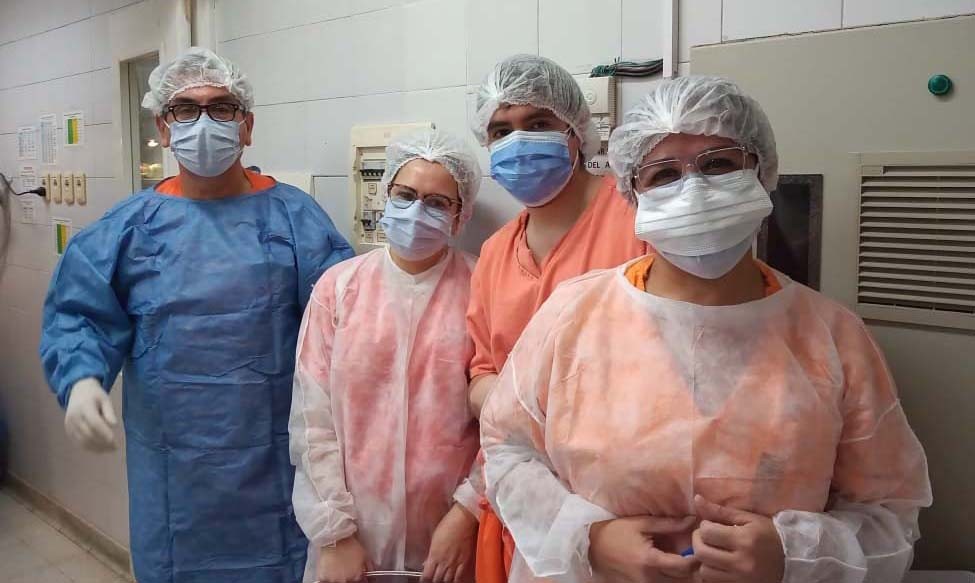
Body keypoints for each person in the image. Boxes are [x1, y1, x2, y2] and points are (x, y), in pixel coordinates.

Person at [479, 76, 932, 583]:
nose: (693, 190)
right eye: (663, 174)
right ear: (633, 193)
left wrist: (794, 555)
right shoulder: (573, 314)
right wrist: (589, 540)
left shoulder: (832, 337)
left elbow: (890, 513)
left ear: (761, 171)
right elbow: (507, 451)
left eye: (718, 164)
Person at [39, 47, 354, 583]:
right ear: (163, 128)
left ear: (246, 125)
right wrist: (82, 379)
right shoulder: (128, 230)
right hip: (173, 482)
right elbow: (79, 315)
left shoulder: (295, 220)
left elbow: (345, 325)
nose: (204, 122)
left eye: (221, 107)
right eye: (186, 109)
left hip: (274, 473)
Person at [466, 54, 648, 582]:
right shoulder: (496, 253)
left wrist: (546, 405)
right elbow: (481, 373)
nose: (518, 141)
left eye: (538, 123)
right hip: (519, 504)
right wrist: (512, 400)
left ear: (576, 130)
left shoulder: (638, 224)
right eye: (501, 130)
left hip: (621, 512)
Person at [290, 128, 483, 583]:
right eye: (406, 195)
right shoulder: (339, 288)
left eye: (437, 202)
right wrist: (334, 534)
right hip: (351, 543)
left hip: (450, 543)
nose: (417, 211)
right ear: (385, 196)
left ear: (460, 216)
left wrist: (469, 512)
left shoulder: (482, 290)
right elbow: (312, 421)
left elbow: (504, 424)